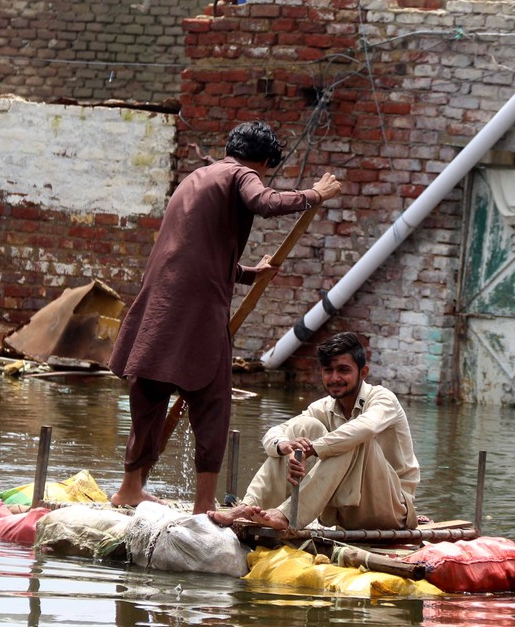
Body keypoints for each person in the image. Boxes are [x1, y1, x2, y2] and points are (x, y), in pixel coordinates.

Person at [108, 120, 342, 513]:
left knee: (149, 394)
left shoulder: (196, 178)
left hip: (161, 304)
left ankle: (129, 488)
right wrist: (313, 194)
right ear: (265, 161)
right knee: (212, 402)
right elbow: (264, 203)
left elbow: (194, 253)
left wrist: (249, 273)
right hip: (197, 310)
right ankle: (204, 505)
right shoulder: (241, 174)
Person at [240, 331, 420, 531]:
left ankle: (287, 515)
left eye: (343, 370)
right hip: (345, 511)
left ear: (363, 372)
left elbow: (365, 428)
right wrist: (285, 447)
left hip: (393, 508)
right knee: (304, 428)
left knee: (353, 436)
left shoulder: (383, 399)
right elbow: (275, 431)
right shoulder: (324, 407)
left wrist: (313, 449)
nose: (335, 378)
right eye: (328, 370)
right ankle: (247, 509)